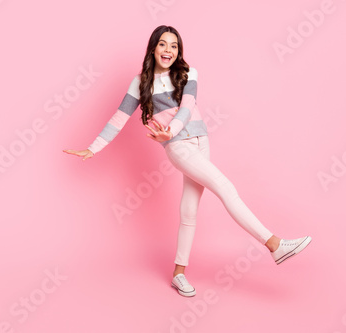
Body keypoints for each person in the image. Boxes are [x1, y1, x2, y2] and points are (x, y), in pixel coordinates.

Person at [63, 25, 312, 297]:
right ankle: (275, 245)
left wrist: (172, 127)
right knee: (225, 187)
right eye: (163, 44)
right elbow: (118, 118)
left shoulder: (189, 73)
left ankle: (178, 274)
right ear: (153, 47)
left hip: (201, 141)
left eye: (174, 46)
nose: (168, 50)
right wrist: (93, 148)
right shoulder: (140, 82)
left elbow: (187, 106)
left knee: (189, 211)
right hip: (179, 147)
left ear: (178, 50)